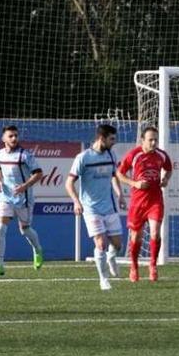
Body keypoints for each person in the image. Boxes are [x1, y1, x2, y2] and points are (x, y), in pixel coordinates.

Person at [66, 124, 126, 291]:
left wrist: (120, 194)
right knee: (101, 244)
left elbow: (114, 176)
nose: (114, 142)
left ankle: (112, 258)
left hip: (110, 207)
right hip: (91, 209)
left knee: (118, 244)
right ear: (102, 138)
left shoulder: (111, 155)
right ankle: (103, 279)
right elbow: (69, 182)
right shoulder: (83, 158)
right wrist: (76, 202)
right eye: (112, 139)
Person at [117, 125, 173, 282]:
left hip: (155, 199)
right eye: (150, 140)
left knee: (155, 232)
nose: (154, 143)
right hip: (138, 201)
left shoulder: (161, 155)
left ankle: (153, 265)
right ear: (143, 140)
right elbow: (119, 174)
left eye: (156, 139)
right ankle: (134, 266)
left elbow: (168, 169)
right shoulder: (134, 155)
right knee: (136, 236)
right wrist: (134, 184)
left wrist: (166, 179)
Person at [0, 125, 44, 277]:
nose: (14, 138)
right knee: (0, 228)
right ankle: (0, 265)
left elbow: (39, 174)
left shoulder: (24, 155)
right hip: (6, 197)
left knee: (25, 229)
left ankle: (37, 249)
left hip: (23, 198)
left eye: (16, 135)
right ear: (3, 138)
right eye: (10, 136)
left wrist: (24, 186)